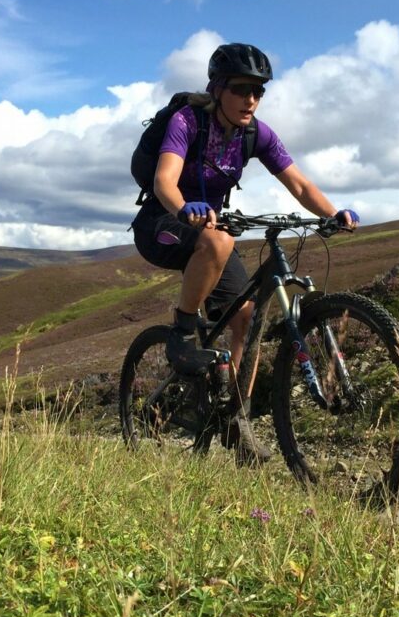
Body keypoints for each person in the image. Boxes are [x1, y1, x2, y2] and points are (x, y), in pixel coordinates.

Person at [132, 43, 359, 454]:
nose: (251, 99)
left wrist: (332, 214)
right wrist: (184, 209)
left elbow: (300, 184)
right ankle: (182, 333)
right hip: (163, 223)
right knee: (221, 239)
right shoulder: (188, 121)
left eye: (259, 91)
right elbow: (165, 181)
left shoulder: (256, 133)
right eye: (241, 89)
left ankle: (236, 419)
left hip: (211, 232)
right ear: (218, 89)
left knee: (246, 318)